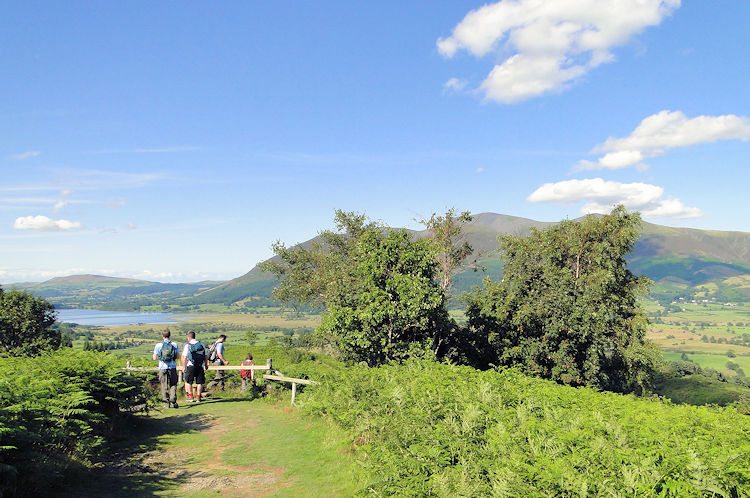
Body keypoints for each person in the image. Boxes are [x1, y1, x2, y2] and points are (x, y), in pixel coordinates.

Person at [152, 329, 179, 408]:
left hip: (162, 367)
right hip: (172, 367)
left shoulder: (158, 345)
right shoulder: (174, 344)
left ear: (162, 336)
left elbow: (154, 357)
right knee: (173, 383)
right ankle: (173, 398)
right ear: (169, 335)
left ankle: (166, 403)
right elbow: (177, 356)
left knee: (164, 385)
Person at [181, 330, 209, 402]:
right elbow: (205, 356)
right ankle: (198, 397)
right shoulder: (201, 344)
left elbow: (184, 357)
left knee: (188, 381)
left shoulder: (187, 345)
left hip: (190, 365)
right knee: (199, 382)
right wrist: (206, 364)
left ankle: (191, 397)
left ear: (188, 337)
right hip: (200, 365)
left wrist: (183, 366)